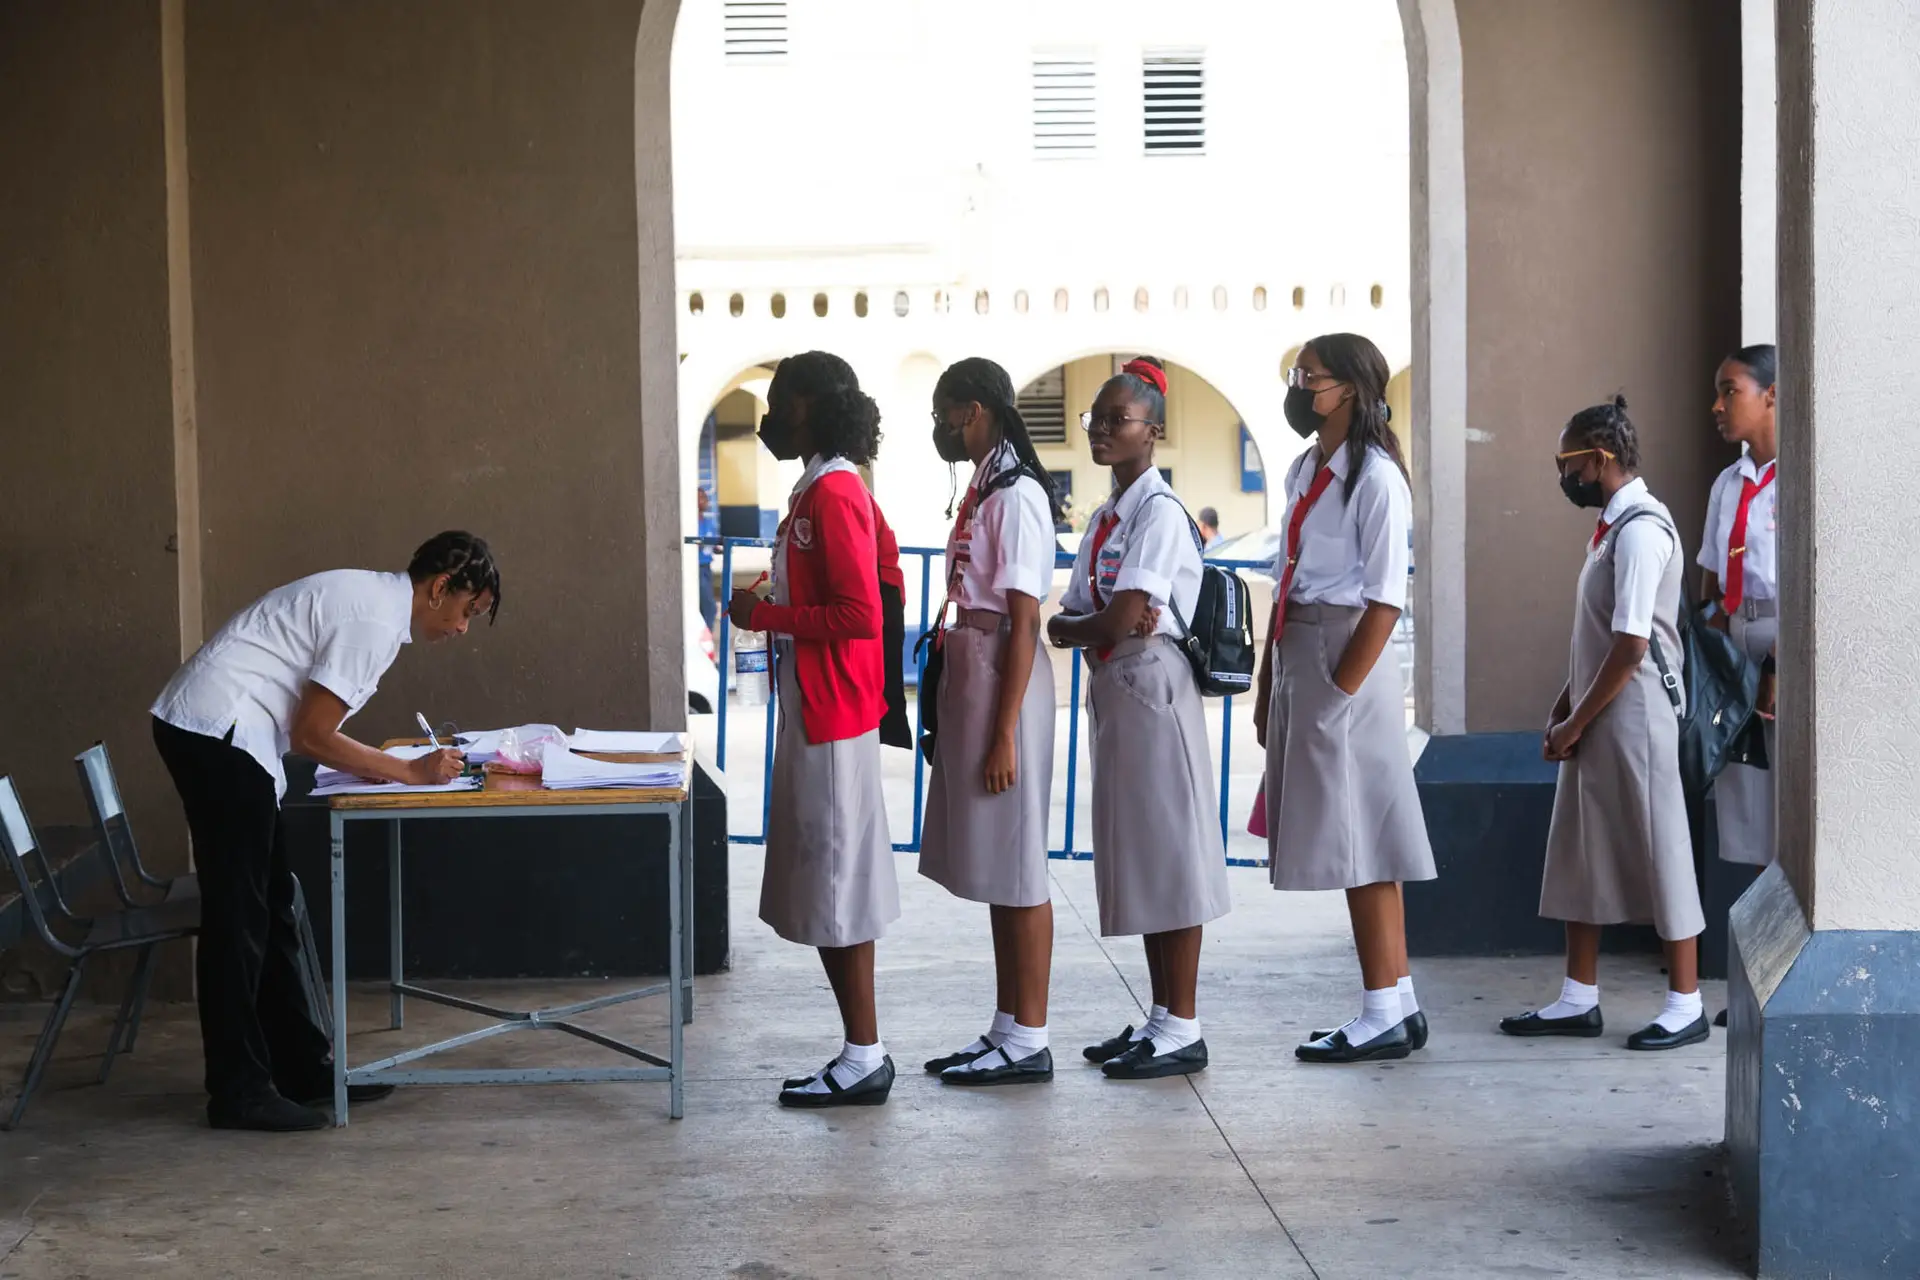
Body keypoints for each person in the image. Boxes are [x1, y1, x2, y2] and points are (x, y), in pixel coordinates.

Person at [151, 532, 499, 1131]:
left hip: (225, 733)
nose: (463, 629)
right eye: (468, 610)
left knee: (271, 907)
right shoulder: (372, 620)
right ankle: (237, 1091)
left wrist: (395, 769)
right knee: (240, 916)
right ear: (441, 588)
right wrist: (409, 772)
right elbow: (312, 734)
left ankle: (300, 1068)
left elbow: (308, 729)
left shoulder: (374, 606)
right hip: (217, 733)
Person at [1501, 395, 1709, 1050]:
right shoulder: (1611, 530)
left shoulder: (1642, 531)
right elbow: (1597, 637)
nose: (1563, 476)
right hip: (1600, 709)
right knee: (1580, 847)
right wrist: (1566, 704)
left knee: (1661, 846)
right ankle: (1578, 997)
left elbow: (1631, 645)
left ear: (1598, 458)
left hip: (1634, 711)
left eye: (1567, 463)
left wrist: (1574, 723)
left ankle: (1686, 1003)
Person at [1047, 356, 1231, 1081]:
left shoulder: (1159, 513)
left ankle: (1183, 1025)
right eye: (1094, 418)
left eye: (1116, 419)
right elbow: (1075, 614)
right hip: (1117, 684)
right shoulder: (1105, 517)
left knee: (1170, 853)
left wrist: (1093, 623)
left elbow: (1113, 617)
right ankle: (1160, 1017)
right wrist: (1092, 623)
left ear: (1152, 430)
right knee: (1145, 855)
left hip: (1153, 684)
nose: (1099, 429)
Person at [729, 350, 902, 1108]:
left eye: (780, 403)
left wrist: (766, 614)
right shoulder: (821, 486)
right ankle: (859, 1050)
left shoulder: (834, 491)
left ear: (809, 407)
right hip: (817, 706)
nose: (770, 418)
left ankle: (864, 1055)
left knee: (838, 889)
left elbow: (860, 613)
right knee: (832, 884)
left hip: (832, 712)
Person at [1256, 333, 1436, 1064]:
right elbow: (1287, 575)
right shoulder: (1306, 469)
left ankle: (1379, 1011)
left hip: (1347, 654)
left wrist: (1337, 692)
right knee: (1365, 837)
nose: (1300, 388)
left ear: (1351, 391)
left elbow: (1385, 599)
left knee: (1361, 841)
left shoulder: (1376, 479)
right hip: (1302, 645)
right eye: (1297, 375)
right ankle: (1399, 1002)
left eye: (1312, 377)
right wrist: (1271, 678)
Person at [918, 358, 1066, 1087]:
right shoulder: (986, 485)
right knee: (999, 865)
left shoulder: (1017, 495)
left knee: (1019, 863)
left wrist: (1005, 732)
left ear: (972, 410)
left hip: (1003, 675)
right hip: (974, 669)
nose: (941, 427)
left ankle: (1031, 1037)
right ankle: (1007, 1026)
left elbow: (1025, 619)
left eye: (944, 413)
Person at [1701, 344, 1779, 869]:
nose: (1718, 405)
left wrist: (1778, 666)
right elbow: (1710, 574)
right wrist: (1711, 655)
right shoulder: (1728, 484)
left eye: (1730, 392)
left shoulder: (1798, 480)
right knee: (1745, 792)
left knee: (1785, 785)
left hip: (1779, 635)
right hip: (1735, 636)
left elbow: (1806, 587)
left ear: (1771, 395)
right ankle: (1759, 898)